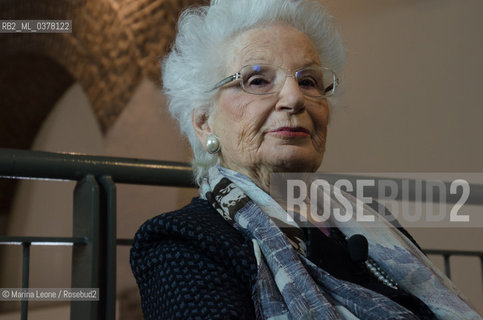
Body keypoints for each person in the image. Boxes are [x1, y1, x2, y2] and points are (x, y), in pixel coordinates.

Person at [130, 0, 482, 319]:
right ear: (204, 119)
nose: (294, 98)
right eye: (257, 80)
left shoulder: (370, 220)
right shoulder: (181, 242)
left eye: (309, 81)